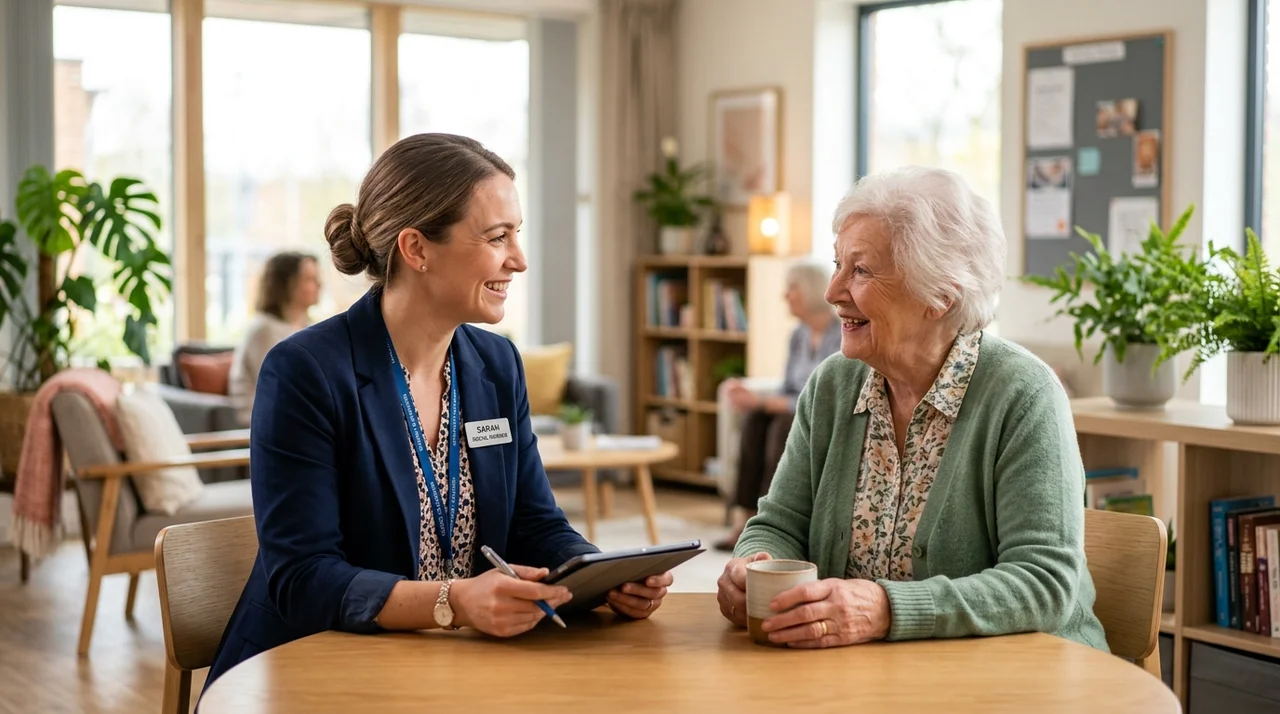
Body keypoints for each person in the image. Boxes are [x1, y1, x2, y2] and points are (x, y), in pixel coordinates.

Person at [206, 133, 673, 688]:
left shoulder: (497, 364)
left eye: (517, 234)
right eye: (497, 237)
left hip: (448, 667)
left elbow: (533, 522)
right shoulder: (305, 371)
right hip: (311, 668)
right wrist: (453, 601)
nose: (519, 260)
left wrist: (598, 576)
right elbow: (304, 579)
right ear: (416, 249)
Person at [715, 166, 1108, 652]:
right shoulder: (832, 386)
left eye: (860, 271)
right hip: (872, 674)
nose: (832, 292)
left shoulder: (1024, 394)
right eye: (838, 264)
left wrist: (886, 609)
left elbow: (1043, 584)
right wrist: (755, 564)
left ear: (939, 295)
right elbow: (779, 524)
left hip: (1025, 672)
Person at [714, 259, 840, 552]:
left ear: (810, 291)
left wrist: (766, 401)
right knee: (755, 420)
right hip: (790, 407)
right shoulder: (798, 335)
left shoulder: (842, 334)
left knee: (783, 424)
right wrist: (757, 401)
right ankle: (745, 520)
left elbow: (827, 394)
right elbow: (787, 388)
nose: (785, 295)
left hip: (818, 412)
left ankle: (772, 521)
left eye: (792, 288)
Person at [228, 251, 321, 426]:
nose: (319, 284)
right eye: (309, 279)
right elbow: (279, 388)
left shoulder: (311, 327)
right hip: (264, 420)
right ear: (286, 285)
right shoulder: (263, 330)